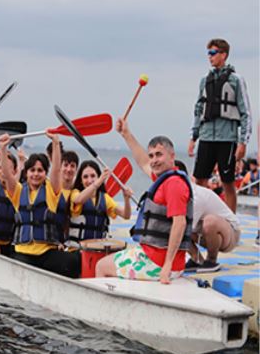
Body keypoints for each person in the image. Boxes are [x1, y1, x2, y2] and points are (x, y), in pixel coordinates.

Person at [98, 117, 194, 284]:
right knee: (119, 259)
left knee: (101, 266)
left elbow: (180, 223)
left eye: (159, 154)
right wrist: (126, 134)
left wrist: (167, 265)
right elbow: (142, 162)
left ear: (172, 156)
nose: (154, 160)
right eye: (152, 155)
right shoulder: (164, 178)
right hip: (155, 257)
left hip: (158, 262)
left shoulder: (174, 184)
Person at [0, 132, 81, 277]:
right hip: (22, 252)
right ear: (26, 173)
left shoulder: (51, 190)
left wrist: (56, 143)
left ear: (45, 173)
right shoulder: (17, 191)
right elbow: (6, 173)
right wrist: (3, 149)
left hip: (46, 253)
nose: (36, 174)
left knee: (73, 261)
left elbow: (56, 169)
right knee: (18, 265)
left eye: (40, 170)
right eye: (32, 170)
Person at [188, 38, 253, 213]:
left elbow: (246, 112)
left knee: (228, 182)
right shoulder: (204, 80)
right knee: (200, 180)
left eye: (213, 53)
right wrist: (194, 137)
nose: (209, 57)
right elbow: (198, 109)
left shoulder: (236, 80)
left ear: (223, 55)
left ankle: (231, 221)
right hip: (207, 137)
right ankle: (199, 216)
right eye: (208, 53)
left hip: (227, 139)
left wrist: (243, 142)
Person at [174, 160, 242, 272]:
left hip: (230, 234)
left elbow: (183, 229)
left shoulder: (196, 196)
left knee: (204, 222)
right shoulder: (175, 195)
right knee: (175, 225)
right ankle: (197, 260)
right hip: (203, 232)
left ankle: (211, 261)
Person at [67, 160, 132, 243]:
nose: (90, 180)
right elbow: (79, 200)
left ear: (98, 177)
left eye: (93, 176)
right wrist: (99, 181)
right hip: (77, 249)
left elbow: (126, 215)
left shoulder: (105, 198)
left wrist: (126, 199)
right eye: (85, 177)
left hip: (98, 249)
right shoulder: (75, 193)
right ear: (80, 180)